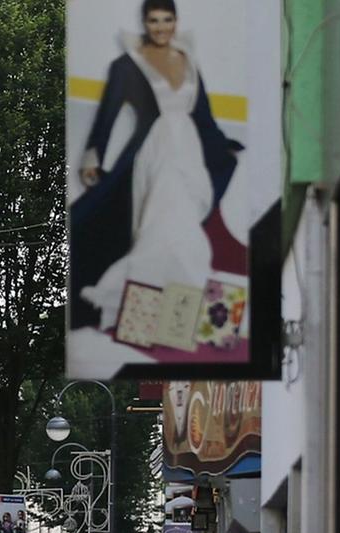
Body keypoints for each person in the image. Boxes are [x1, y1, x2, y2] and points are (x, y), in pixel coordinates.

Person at [72, 0, 243, 336]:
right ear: (145, 23)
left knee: (181, 231)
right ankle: (150, 317)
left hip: (190, 155)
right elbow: (107, 115)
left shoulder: (188, 61)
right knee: (164, 231)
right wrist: (94, 157)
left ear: (176, 22)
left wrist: (223, 147)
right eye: (154, 21)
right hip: (156, 153)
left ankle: (164, 325)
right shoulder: (126, 65)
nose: (161, 27)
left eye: (167, 20)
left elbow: (203, 115)